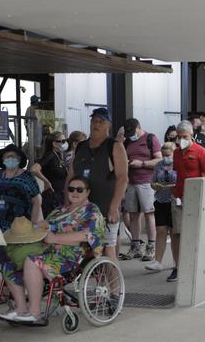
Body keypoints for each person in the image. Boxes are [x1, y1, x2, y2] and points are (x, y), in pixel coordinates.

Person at [0, 176, 106, 321]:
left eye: (79, 189)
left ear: (87, 192)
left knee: (32, 261)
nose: (75, 192)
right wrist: (34, 228)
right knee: (8, 261)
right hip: (46, 250)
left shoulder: (92, 211)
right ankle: (21, 308)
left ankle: (35, 312)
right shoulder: (60, 210)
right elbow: (44, 226)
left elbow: (88, 235)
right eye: (71, 189)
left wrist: (55, 238)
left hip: (69, 256)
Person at [67, 108, 128, 265]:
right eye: (94, 120)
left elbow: (122, 178)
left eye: (101, 121)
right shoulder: (80, 146)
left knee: (107, 250)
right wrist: (67, 203)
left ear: (108, 124)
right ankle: (91, 283)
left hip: (105, 208)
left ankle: (114, 288)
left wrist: (114, 207)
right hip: (80, 208)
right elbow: (70, 176)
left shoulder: (114, 146)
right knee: (82, 248)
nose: (96, 124)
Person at [169, 121, 205, 282]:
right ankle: (177, 266)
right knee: (177, 232)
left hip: (195, 199)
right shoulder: (176, 153)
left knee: (195, 232)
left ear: (192, 136)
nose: (181, 140)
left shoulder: (200, 151)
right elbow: (175, 173)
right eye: (179, 137)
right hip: (178, 197)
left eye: (185, 137)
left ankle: (197, 265)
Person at [0, 144, 42, 265]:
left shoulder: (27, 177)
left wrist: (34, 224)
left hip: (19, 227)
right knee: (1, 260)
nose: (9, 159)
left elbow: (37, 200)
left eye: (13, 156)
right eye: (6, 157)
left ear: (19, 160)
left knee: (17, 258)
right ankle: (5, 283)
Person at [122, 118, 163, 260]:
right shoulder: (127, 141)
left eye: (133, 132)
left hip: (147, 182)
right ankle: (135, 246)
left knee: (149, 214)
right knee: (133, 214)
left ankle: (151, 247)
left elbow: (159, 160)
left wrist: (142, 163)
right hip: (131, 182)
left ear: (139, 127)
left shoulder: (151, 138)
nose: (131, 136)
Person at [145, 142, 177, 272]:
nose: (165, 158)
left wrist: (171, 187)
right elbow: (152, 181)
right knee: (161, 231)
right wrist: (155, 185)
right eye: (163, 155)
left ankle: (177, 262)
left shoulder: (178, 164)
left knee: (175, 233)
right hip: (160, 200)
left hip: (175, 201)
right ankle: (158, 261)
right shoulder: (159, 165)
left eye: (168, 155)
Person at [31, 132, 69, 218]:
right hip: (52, 197)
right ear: (54, 143)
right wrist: (46, 181)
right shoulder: (50, 155)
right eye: (62, 141)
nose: (65, 143)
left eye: (65, 140)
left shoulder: (59, 155)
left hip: (60, 195)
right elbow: (34, 169)